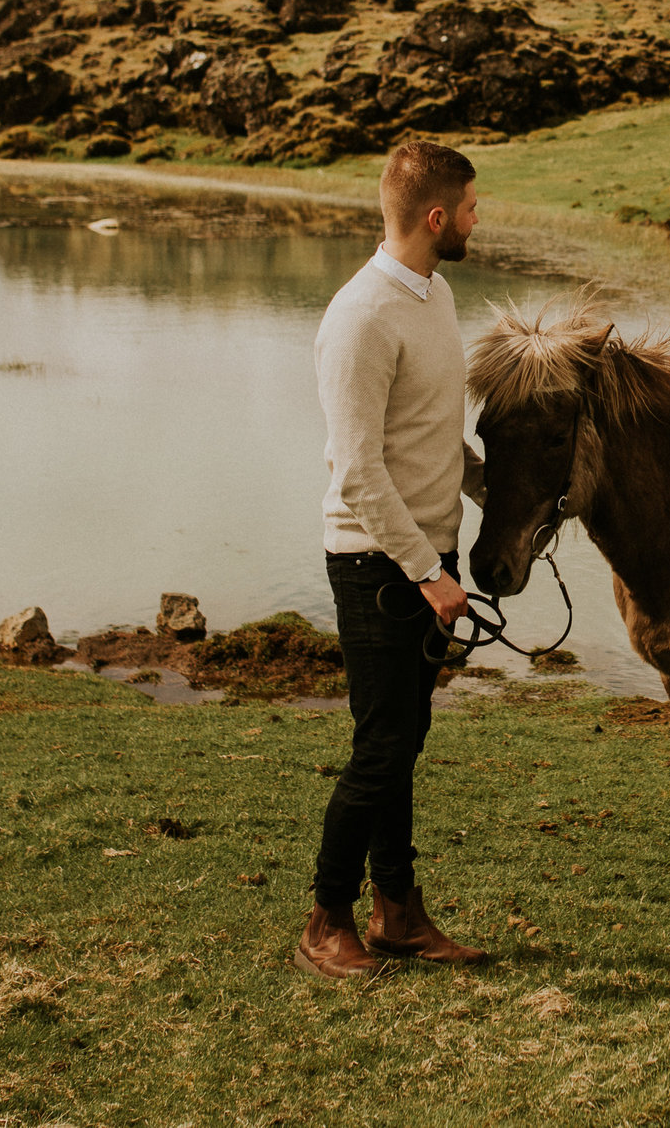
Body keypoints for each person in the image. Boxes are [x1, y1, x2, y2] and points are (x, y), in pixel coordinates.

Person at [299, 139, 491, 978]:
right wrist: (430, 574)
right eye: (474, 208)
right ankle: (325, 917)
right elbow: (358, 471)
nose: (481, 220)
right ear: (437, 216)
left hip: (424, 557)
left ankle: (397, 913)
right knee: (381, 746)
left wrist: (501, 494)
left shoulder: (436, 294)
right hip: (377, 566)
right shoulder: (359, 317)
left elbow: (431, 432)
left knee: (402, 742)